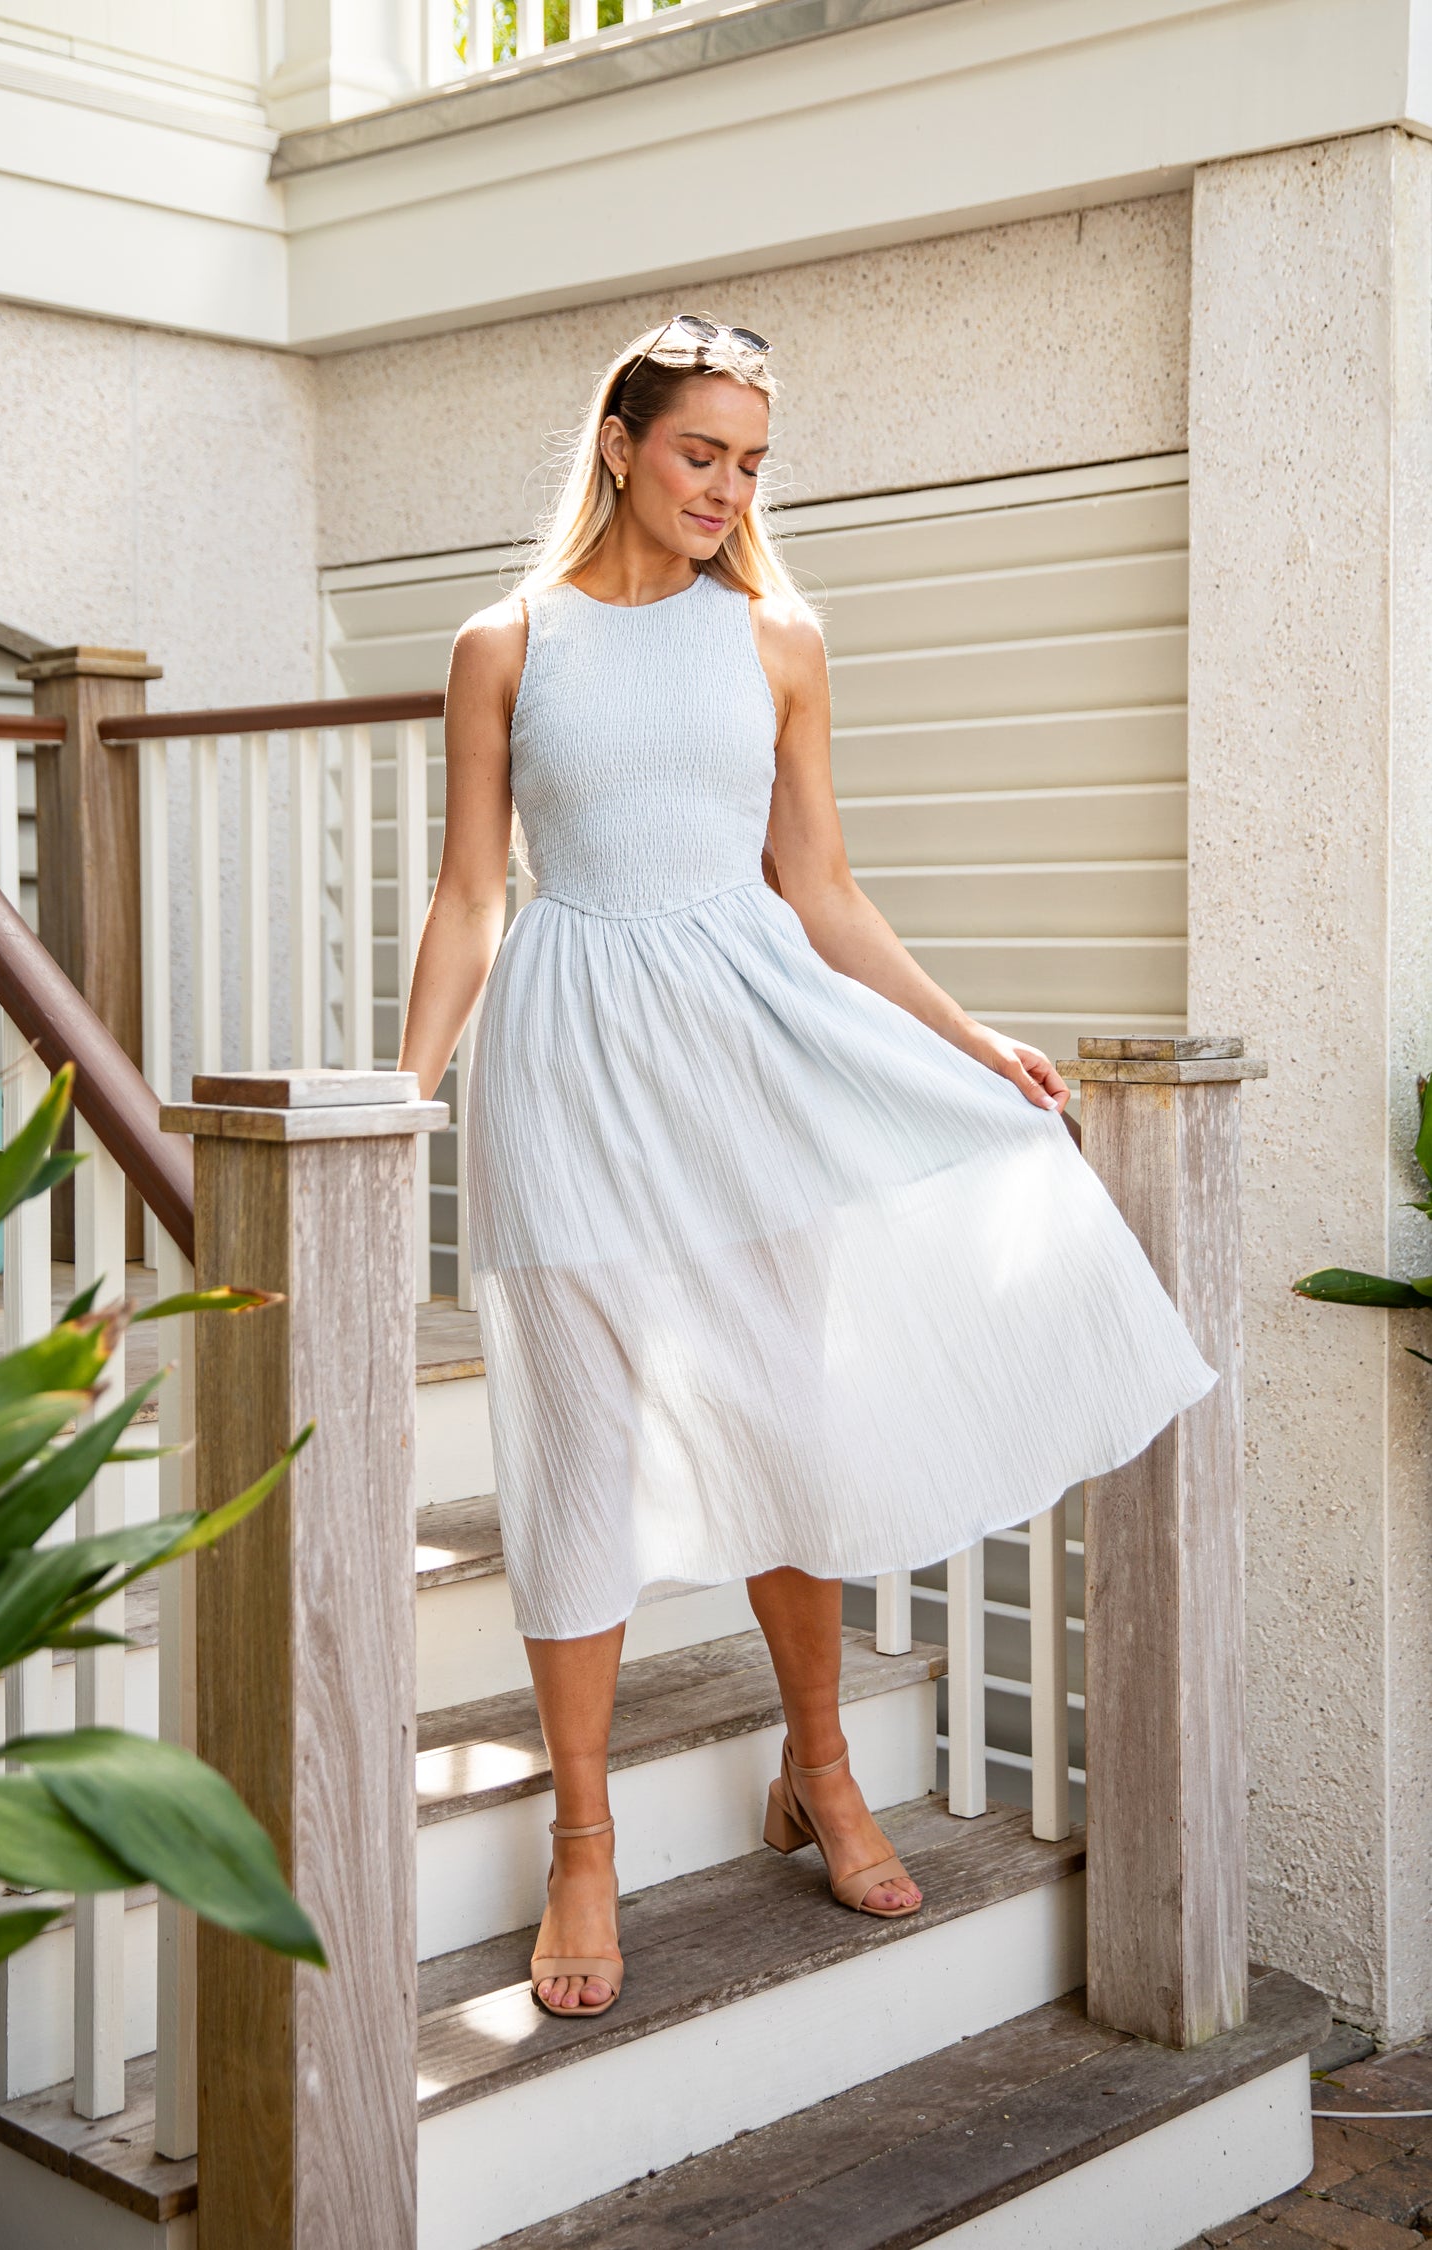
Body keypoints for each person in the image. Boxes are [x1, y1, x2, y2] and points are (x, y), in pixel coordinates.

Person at [398, 313, 1217, 2021]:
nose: (729, 487)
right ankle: (582, 1833)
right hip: (565, 1057)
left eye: (753, 461)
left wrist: (963, 1036)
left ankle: (822, 1766)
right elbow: (475, 893)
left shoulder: (776, 635)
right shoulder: (504, 641)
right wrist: (401, 1096)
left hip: (752, 1051)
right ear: (620, 441)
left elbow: (824, 890)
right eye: (703, 451)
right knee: (575, 1435)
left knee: (787, 1405)